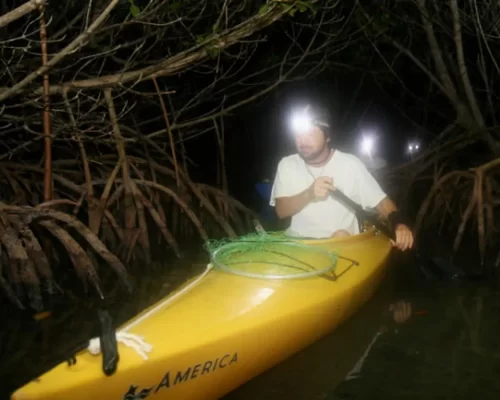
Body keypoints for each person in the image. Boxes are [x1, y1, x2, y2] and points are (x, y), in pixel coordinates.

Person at [269, 104, 414, 251]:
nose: (303, 141)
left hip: (342, 245)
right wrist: (309, 193)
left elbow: (381, 202)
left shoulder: (351, 164)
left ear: (327, 137)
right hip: (299, 245)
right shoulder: (287, 164)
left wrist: (399, 223)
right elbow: (281, 211)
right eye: (298, 134)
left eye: (310, 134)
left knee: (340, 234)